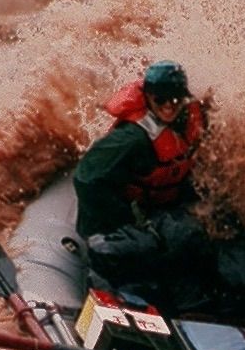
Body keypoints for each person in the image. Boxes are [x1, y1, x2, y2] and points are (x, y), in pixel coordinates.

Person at [72, 60, 209, 303]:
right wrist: (126, 220)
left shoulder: (190, 116)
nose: (168, 107)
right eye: (160, 100)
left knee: (193, 238)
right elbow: (85, 178)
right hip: (123, 214)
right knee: (123, 251)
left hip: (163, 204)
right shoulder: (132, 138)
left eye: (175, 100)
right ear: (148, 98)